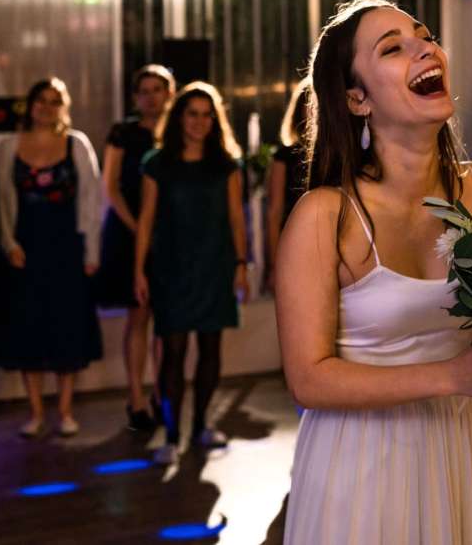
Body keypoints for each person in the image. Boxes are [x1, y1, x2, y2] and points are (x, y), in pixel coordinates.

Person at [274, 0, 472, 543]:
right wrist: (453, 376)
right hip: (357, 463)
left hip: (453, 451)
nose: (425, 49)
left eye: (424, 36)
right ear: (357, 99)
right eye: (393, 48)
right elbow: (308, 379)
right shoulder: (325, 216)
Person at [134, 82, 248, 466]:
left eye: (207, 115)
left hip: (214, 266)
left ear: (215, 121)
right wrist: (138, 271)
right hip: (171, 269)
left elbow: (236, 219)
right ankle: (170, 435)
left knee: (211, 349)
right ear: (179, 118)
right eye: (192, 113)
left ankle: (201, 425)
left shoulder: (225, 164)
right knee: (173, 352)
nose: (199, 121)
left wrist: (241, 265)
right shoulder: (157, 163)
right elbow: (146, 221)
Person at [0, 78, 102, 438]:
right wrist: (9, 244)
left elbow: (91, 200)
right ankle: (36, 412)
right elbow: (1, 202)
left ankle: (65, 410)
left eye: (55, 101)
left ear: (64, 108)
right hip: (25, 251)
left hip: (67, 250)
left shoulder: (77, 144)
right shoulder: (9, 147)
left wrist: (91, 252)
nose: (46, 107)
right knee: (30, 330)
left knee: (66, 330)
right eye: (41, 99)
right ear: (30, 104)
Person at [97, 64, 174, 432]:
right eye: (144, 90)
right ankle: (136, 398)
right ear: (134, 97)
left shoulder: (179, 132)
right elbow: (110, 186)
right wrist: (138, 227)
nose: (151, 97)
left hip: (170, 236)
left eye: (157, 89)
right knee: (138, 315)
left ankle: (162, 394)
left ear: (169, 93)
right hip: (128, 232)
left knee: (167, 321)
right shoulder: (123, 133)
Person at [266, 78, 312, 293]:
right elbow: (274, 212)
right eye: (311, 104)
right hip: (294, 242)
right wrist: (274, 264)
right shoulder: (284, 156)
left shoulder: (340, 155)